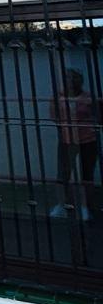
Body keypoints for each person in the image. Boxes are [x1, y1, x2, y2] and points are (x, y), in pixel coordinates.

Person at [50, 67, 100, 220]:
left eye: (75, 78)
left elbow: (98, 116)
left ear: (81, 80)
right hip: (67, 140)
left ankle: (86, 207)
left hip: (88, 140)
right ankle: (61, 205)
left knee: (87, 175)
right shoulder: (58, 97)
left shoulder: (89, 97)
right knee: (62, 174)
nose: (71, 81)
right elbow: (54, 116)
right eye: (68, 78)